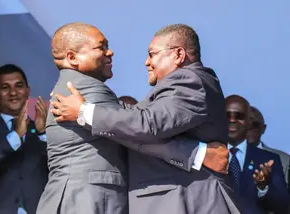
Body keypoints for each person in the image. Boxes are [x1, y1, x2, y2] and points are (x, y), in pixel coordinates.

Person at [37, 22, 229, 214]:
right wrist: (197, 154)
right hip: (86, 201)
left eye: (152, 54)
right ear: (72, 57)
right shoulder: (82, 90)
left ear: (178, 55)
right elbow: (138, 130)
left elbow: (138, 126)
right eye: (101, 47)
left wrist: (85, 111)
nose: (110, 52)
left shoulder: (189, 79)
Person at [0, 64, 48, 214]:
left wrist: (42, 134)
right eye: (5, 87)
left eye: (19, 86)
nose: (13, 92)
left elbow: (60, 174)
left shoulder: (42, 133)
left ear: (27, 91)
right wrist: (15, 137)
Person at [226, 95, 289, 214]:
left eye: (239, 116)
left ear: (249, 122)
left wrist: (263, 188)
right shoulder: (204, 155)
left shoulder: (268, 160)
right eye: (227, 115)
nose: (232, 120)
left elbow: (282, 206)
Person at [247, 106, 290, 187]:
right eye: (246, 124)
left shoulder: (284, 160)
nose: (249, 128)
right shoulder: (225, 156)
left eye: (254, 124)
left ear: (263, 129)